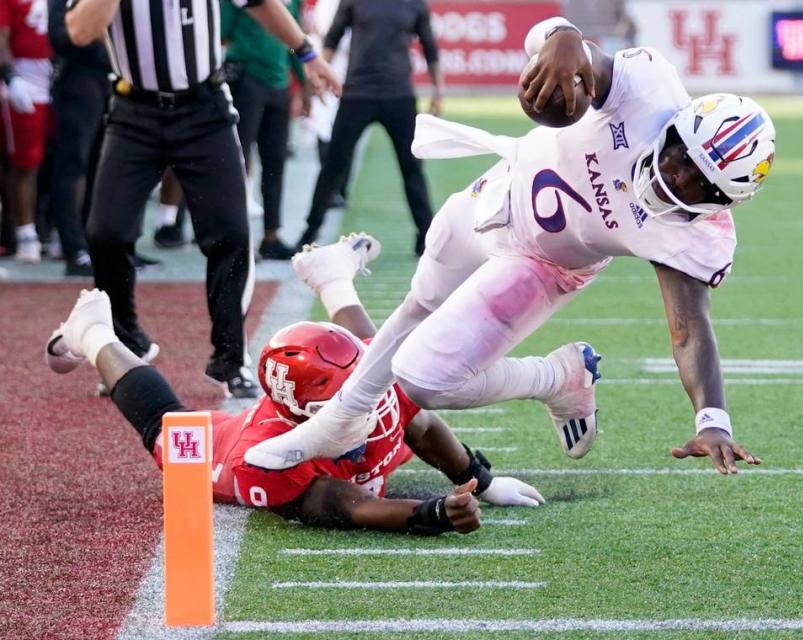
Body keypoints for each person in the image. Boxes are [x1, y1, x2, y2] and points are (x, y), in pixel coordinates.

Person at [246, 17, 774, 475]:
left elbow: (689, 330)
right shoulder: (648, 92)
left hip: (545, 263)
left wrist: (713, 419)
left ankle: (558, 377)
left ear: (725, 201)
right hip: (499, 192)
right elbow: (560, 46)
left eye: (699, 186)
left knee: (425, 378)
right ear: (680, 127)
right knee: (418, 304)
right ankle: (342, 419)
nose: (675, 178)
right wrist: (564, 41)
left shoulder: (696, 237)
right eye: (682, 156)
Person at [44, 234, 544, 534]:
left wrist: (479, 476)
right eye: (347, 391)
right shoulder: (266, 457)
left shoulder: (359, 377)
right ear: (310, 414)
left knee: (391, 357)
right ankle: (90, 330)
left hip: (299, 419)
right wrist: (432, 513)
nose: (366, 391)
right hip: (221, 450)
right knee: (164, 428)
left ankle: (331, 277)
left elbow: (423, 422)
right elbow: (352, 506)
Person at [65, 0, 342, 398]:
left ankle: (231, 360)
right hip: (133, 111)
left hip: (203, 108)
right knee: (105, 231)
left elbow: (260, 3)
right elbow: (81, 30)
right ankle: (128, 343)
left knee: (229, 232)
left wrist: (307, 53)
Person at [296, 0, 443, 255]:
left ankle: (426, 238)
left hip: (398, 95)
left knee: (412, 167)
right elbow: (332, 39)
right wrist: (315, 80)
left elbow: (430, 48)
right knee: (333, 164)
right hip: (357, 94)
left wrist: (438, 91)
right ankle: (309, 234)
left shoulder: (415, 3)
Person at [222, 0, 304, 260]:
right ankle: (237, 240)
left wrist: (303, 82)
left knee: (275, 161)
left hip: (279, 82)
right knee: (239, 162)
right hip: (246, 77)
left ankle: (271, 236)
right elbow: (221, 31)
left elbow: (296, 35)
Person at [45, 0, 111, 277]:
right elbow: (63, 35)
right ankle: (73, 247)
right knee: (73, 162)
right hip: (78, 76)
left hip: (109, 76)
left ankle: (97, 243)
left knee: (103, 164)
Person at [0, 0, 53, 264]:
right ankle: (24, 232)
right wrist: (10, 75)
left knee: (57, 158)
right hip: (25, 79)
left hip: (58, 76)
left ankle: (50, 228)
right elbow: (2, 36)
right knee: (25, 161)